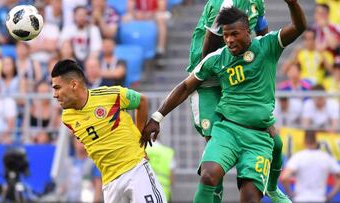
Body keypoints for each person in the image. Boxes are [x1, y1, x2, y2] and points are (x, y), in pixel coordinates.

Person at [141, 1, 306, 202]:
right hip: (228, 130)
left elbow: (299, 27)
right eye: (225, 35)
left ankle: (272, 188)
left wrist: (293, 4)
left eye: (234, 34)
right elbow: (185, 86)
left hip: (258, 137)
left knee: (250, 196)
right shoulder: (217, 58)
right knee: (209, 174)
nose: (228, 40)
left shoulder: (268, 46)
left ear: (247, 32)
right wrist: (157, 117)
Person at [185, 0, 286, 202]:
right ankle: (214, 195)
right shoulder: (225, 4)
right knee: (213, 153)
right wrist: (223, 70)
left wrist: (261, 59)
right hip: (209, 78)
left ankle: (272, 188)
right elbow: (209, 53)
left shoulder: (257, 2)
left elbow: (263, 31)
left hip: (235, 69)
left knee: (275, 140)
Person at [51, 59, 166, 202]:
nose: (55, 94)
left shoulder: (110, 95)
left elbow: (142, 101)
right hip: (109, 183)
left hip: (135, 170)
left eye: (57, 87)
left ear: (73, 84)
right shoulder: (67, 118)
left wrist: (140, 140)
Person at [282, 130, 340, 202]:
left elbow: (284, 177)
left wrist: (290, 193)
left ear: (304, 141)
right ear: (316, 140)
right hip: (319, 199)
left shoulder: (298, 157)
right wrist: (331, 195)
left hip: (301, 199)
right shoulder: (325, 157)